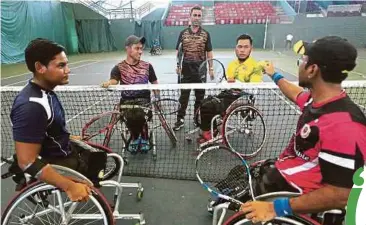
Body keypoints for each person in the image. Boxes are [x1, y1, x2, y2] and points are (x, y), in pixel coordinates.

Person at [208, 36, 366, 224]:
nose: (300, 64)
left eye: (304, 60)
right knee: (241, 174)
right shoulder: (316, 101)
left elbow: (342, 194)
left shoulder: (345, 125)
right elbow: (295, 93)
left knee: (236, 194)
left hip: (290, 191)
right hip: (284, 174)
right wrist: (274, 75)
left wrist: (276, 207)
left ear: (312, 70)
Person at [10, 38, 106, 202]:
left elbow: (45, 132)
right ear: (40, 67)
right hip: (61, 163)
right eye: (61, 66)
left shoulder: (45, 92)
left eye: (66, 64)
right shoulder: (32, 106)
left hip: (60, 152)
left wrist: (67, 137)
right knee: (99, 160)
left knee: (99, 157)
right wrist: (70, 186)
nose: (68, 70)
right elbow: (26, 161)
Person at [198, 34, 263, 142]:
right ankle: (212, 130)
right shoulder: (232, 64)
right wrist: (225, 82)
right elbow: (227, 83)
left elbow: (254, 89)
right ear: (235, 48)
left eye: (246, 47)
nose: (242, 50)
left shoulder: (255, 66)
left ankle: (208, 133)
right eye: (240, 47)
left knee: (208, 106)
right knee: (204, 102)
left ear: (251, 48)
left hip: (241, 98)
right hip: (228, 94)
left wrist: (236, 82)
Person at [101, 35, 159, 152]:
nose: (140, 51)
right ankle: (135, 138)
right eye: (137, 48)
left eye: (141, 48)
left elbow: (155, 83)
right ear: (128, 49)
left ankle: (144, 138)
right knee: (132, 116)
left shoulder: (147, 66)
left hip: (144, 101)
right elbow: (114, 80)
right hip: (126, 102)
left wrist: (158, 98)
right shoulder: (118, 67)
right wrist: (109, 82)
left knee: (140, 115)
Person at [173, 5, 214, 131]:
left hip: (201, 70)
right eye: (194, 15)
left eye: (199, 15)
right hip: (186, 70)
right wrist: (178, 66)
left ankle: (197, 119)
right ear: (190, 17)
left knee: (200, 97)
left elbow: (209, 52)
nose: (196, 17)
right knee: (183, 97)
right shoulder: (183, 33)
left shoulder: (206, 34)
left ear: (201, 17)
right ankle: (180, 119)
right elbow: (179, 52)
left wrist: (211, 68)